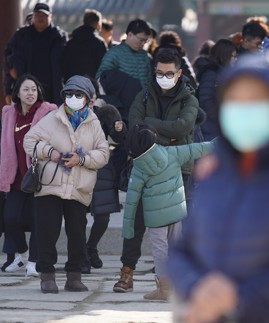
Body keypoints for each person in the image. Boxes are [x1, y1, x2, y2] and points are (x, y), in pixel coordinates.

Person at [167, 49, 269, 322]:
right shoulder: (216, 170)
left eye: (256, 100)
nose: (243, 110)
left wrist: (236, 299)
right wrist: (196, 289)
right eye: (235, 101)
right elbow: (182, 249)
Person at [112, 48, 200, 293]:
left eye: (169, 73)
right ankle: (127, 272)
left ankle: (172, 280)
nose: (164, 77)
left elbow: (182, 128)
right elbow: (135, 128)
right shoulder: (143, 96)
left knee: (173, 229)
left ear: (179, 72)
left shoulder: (189, 99)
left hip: (177, 169)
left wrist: (150, 129)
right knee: (136, 222)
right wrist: (161, 133)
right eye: (159, 72)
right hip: (145, 167)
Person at [23, 75, 109, 294]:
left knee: (77, 233)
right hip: (51, 184)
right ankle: (47, 276)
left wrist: (81, 159)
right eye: (69, 94)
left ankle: (74, 276)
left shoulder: (93, 122)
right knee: (47, 232)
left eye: (78, 94)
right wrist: (50, 153)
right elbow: (30, 141)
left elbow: (103, 154)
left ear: (88, 99)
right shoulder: (53, 118)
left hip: (78, 187)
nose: (73, 98)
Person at [122, 122, 214, 300]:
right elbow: (200, 148)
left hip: (156, 218)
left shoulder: (139, 168)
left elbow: (131, 201)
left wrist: (128, 229)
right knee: (176, 247)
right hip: (177, 213)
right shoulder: (172, 153)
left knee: (160, 250)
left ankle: (164, 288)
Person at [0, 74, 57, 276]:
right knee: (10, 218)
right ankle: (22, 255)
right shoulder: (9, 114)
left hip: (38, 175)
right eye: (26, 89)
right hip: (15, 177)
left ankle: (34, 262)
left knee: (36, 220)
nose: (30, 93)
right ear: (17, 92)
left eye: (34, 89)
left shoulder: (48, 113)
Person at [83, 103, 127, 274]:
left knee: (103, 218)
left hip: (105, 172)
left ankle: (91, 247)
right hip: (82, 168)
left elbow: (121, 138)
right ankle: (82, 255)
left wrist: (119, 129)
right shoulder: (74, 115)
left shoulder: (107, 112)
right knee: (79, 218)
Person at [9, 3, 67, 105]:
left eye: (44, 16)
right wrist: (11, 69)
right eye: (37, 15)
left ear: (51, 17)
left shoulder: (59, 37)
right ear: (33, 16)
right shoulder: (22, 35)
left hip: (52, 90)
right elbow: (8, 53)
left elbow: (68, 61)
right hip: (27, 87)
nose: (40, 18)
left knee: (51, 118)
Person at [96, 18, 152, 124]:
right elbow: (101, 80)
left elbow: (149, 81)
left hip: (141, 106)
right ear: (130, 35)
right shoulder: (114, 53)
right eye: (141, 40)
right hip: (120, 107)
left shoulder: (145, 56)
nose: (143, 43)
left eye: (146, 41)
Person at [196, 39, 237, 140]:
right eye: (233, 56)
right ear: (225, 56)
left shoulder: (224, 74)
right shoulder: (211, 74)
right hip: (209, 128)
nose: (235, 59)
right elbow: (206, 100)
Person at [61, 9, 107, 82]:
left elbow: (64, 65)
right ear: (97, 23)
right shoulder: (99, 43)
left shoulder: (71, 41)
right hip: (91, 86)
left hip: (72, 84)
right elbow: (104, 68)